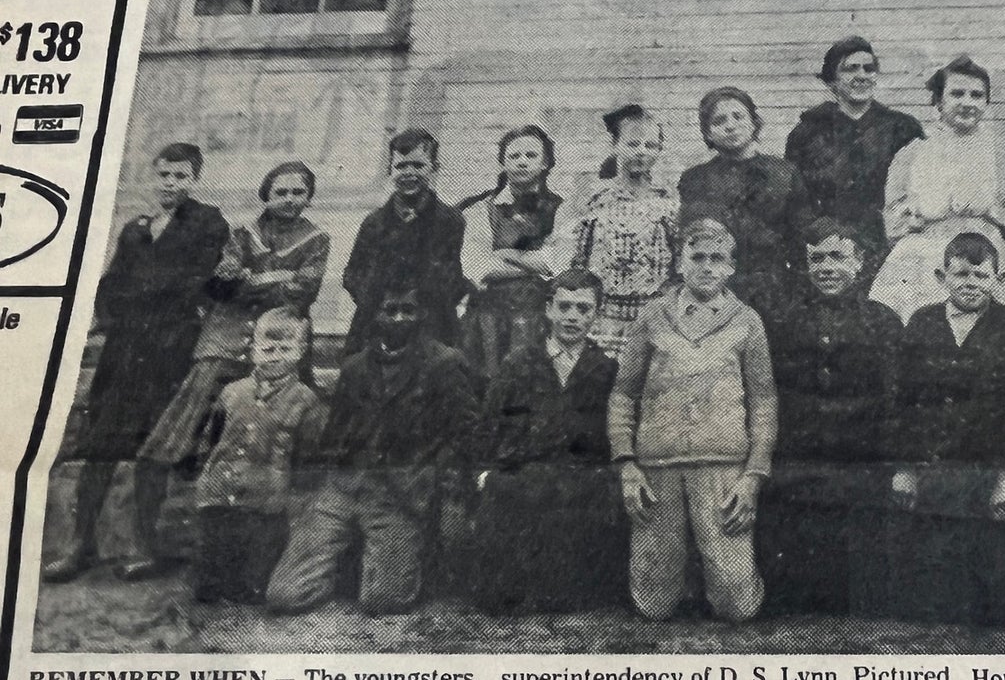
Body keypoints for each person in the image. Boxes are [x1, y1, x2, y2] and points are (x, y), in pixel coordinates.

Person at [127, 160, 330, 578]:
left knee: (287, 447)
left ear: (309, 196)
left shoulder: (317, 238)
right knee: (168, 443)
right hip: (223, 347)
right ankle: (150, 547)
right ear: (266, 194)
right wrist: (270, 277)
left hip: (279, 354)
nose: (289, 200)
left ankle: (272, 559)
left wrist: (254, 278)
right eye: (281, 191)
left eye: (298, 192)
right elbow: (223, 280)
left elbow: (303, 288)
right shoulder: (241, 232)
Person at [45, 142, 228, 583]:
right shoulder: (135, 229)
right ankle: (80, 545)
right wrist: (117, 314)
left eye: (181, 176)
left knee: (154, 449)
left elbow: (194, 281)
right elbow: (109, 287)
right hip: (123, 353)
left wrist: (142, 297)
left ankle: (143, 546)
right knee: (100, 448)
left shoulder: (207, 222)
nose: (171, 184)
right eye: (164, 175)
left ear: (195, 178)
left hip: (167, 352)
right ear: (154, 177)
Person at [267, 279, 483, 617]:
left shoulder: (444, 363)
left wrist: (428, 478)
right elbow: (335, 435)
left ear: (422, 314)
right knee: (285, 595)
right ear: (375, 315)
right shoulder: (354, 367)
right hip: (345, 488)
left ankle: (406, 556)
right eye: (390, 310)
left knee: (383, 601)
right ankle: (348, 561)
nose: (398, 319)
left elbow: (467, 435)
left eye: (408, 310)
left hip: (400, 494)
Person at [608, 217, 777, 623]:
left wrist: (753, 476)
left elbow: (764, 401)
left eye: (717, 258)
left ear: (731, 267)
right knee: (654, 606)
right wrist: (627, 465)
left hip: (722, 467)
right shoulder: (652, 316)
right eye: (696, 257)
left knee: (737, 606)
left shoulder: (746, 320)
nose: (706, 266)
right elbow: (623, 394)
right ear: (678, 262)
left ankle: (715, 576)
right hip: (658, 468)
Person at [890, 232, 1005, 627]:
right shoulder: (923, 323)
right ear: (941, 276)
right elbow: (905, 400)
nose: (970, 284)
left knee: (993, 575)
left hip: (989, 466)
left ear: (997, 279)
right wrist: (906, 468)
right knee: (936, 570)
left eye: (980, 276)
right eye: (960, 274)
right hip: (937, 466)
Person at [759, 218, 904, 614]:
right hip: (801, 451)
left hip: (860, 454)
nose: (826, 267)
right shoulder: (786, 320)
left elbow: (893, 397)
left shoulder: (881, 320)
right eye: (816, 259)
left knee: (860, 567)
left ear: (859, 263)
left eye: (837, 257)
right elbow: (774, 390)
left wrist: (888, 459)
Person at [472, 269, 625, 613]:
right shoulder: (519, 362)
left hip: (576, 484)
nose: (573, 317)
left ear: (597, 314)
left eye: (584, 309)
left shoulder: (605, 370)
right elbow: (489, 424)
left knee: (565, 598)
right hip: (521, 477)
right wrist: (484, 476)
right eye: (565, 306)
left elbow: (612, 435)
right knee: (496, 599)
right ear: (549, 309)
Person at [870, 53, 1005, 322]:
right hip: (926, 262)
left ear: (987, 102)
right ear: (939, 102)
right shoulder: (912, 153)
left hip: (986, 258)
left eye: (976, 95)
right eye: (957, 94)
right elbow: (892, 224)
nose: (967, 103)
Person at [192, 309, 325, 605]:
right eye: (267, 349)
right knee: (213, 555)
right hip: (221, 489)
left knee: (256, 577)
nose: (275, 356)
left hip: (267, 497)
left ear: (301, 352)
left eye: (285, 349)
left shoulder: (306, 400)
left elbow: (309, 455)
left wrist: (296, 494)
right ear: (252, 350)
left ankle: (249, 583)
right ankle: (214, 584)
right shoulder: (232, 392)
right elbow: (212, 437)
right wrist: (207, 472)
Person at [784, 37, 924, 264]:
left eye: (869, 69)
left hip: (888, 248)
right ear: (832, 80)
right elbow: (796, 201)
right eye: (851, 69)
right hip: (828, 251)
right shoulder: (807, 133)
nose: (862, 76)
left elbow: (919, 191)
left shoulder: (903, 129)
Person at [679, 86, 812, 321]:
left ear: (754, 122)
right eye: (719, 121)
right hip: (716, 291)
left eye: (738, 116)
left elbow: (801, 240)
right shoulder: (695, 179)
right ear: (708, 133)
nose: (730, 125)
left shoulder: (784, 173)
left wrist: (798, 296)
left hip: (774, 291)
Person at [341, 128, 467, 355]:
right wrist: (377, 303)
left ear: (434, 168)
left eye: (418, 166)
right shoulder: (374, 222)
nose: (409, 173)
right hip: (377, 323)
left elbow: (456, 276)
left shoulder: (450, 221)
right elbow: (353, 274)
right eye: (401, 166)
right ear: (390, 170)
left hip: (433, 323)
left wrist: (427, 302)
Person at [458, 124, 564, 383]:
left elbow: (558, 263)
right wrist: (535, 265)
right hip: (487, 319)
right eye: (514, 156)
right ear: (503, 163)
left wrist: (506, 254)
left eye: (531, 156)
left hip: (539, 317)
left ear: (545, 163)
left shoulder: (559, 208)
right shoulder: (480, 209)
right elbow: (476, 265)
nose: (522, 162)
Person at [570, 103, 678, 358]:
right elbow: (577, 260)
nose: (641, 152)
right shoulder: (593, 197)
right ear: (614, 145)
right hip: (603, 316)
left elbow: (677, 264)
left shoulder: (669, 201)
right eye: (633, 144)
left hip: (653, 316)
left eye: (651, 145)